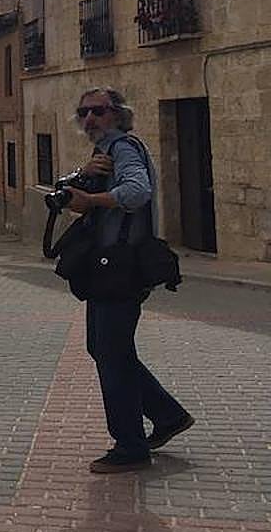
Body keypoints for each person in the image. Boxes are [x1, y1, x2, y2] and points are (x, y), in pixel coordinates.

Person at [64, 87, 194, 473]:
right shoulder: (102, 155)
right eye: (83, 112)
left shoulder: (122, 148)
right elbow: (68, 191)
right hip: (109, 267)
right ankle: (167, 416)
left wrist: (92, 201)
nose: (90, 119)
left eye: (98, 111)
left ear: (117, 114)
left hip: (120, 268)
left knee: (110, 353)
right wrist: (81, 179)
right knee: (106, 349)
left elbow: (138, 191)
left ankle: (130, 445)